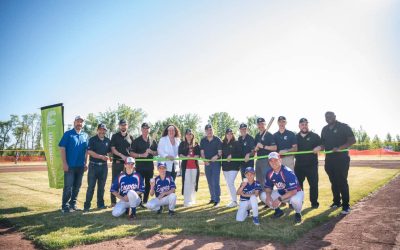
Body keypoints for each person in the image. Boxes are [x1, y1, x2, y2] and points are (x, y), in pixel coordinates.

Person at [321, 111, 356, 214]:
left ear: (335, 117)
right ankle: (336, 202)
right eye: (326, 117)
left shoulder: (344, 126)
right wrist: (319, 147)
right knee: (333, 181)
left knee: (342, 181)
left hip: (342, 159)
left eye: (330, 116)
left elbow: (352, 140)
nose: (328, 118)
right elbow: (323, 143)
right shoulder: (324, 129)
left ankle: (346, 206)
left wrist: (340, 148)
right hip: (329, 160)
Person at [260, 152, 304, 223]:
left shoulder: (287, 172)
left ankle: (298, 213)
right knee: (263, 195)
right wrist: (268, 196)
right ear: (269, 162)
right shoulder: (269, 173)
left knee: (295, 200)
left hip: (295, 193)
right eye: (271, 161)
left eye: (276, 160)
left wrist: (279, 199)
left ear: (280, 160)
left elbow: (293, 191)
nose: (273, 162)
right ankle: (278, 211)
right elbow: (268, 187)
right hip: (282, 193)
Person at [59, 115, 89, 213]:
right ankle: (65, 206)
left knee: (77, 186)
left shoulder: (85, 135)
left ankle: (73, 204)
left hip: (80, 166)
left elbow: (86, 151)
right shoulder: (68, 134)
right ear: (74, 122)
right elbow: (62, 148)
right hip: (70, 166)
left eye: (81, 122)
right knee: (68, 187)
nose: (79, 123)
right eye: (77, 121)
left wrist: (86, 162)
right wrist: (64, 163)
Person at [84, 124, 111, 212]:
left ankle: (100, 204)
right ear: (97, 130)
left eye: (104, 130)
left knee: (101, 187)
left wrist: (109, 156)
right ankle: (87, 206)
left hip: (103, 167)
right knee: (91, 187)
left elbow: (109, 152)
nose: (102, 131)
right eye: (100, 129)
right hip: (93, 166)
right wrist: (101, 157)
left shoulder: (108, 140)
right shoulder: (92, 139)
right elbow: (89, 152)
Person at [295, 118, 322, 209]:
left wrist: (319, 147)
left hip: (312, 165)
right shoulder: (295, 137)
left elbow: (322, 145)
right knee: (299, 185)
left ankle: (314, 203)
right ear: (299, 126)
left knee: (313, 184)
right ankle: (299, 202)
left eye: (306, 124)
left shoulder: (314, 136)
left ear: (308, 125)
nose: (304, 126)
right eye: (302, 124)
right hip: (299, 165)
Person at [130, 122, 158, 205]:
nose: (146, 130)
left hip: (149, 167)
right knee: (139, 185)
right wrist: (141, 155)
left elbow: (157, 152)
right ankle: (139, 201)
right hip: (140, 167)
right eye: (144, 128)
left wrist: (151, 152)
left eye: (147, 128)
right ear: (141, 130)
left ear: (149, 130)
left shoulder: (153, 141)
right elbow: (131, 153)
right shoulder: (136, 141)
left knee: (148, 184)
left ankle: (145, 201)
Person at [110, 119, 135, 207]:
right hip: (117, 163)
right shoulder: (114, 136)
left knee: (128, 182)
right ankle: (113, 202)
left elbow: (131, 151)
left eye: (125, 125)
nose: (123, 126)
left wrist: (131, 157)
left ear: (127, 126)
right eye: (122, 125)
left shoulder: (131, 137)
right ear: (119, 126)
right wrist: (121, 156)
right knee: (115, 182)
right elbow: (113, 149)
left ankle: (128, 199)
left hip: (128, 164)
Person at [200, 124, 222, 207]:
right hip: (207, 164)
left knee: (215, 181)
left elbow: (220, 152)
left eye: (211, 130)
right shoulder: (203, 140)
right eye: (207, 130)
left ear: (213, 130)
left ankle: (217, 199)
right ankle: (212, 198)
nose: (209, 131)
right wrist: (204, 160)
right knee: (209, 182)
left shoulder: (218, 140)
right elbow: (202, 152)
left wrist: (216, 157)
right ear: (205, 131)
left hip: (216, 163)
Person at [178, 129, 200, 207]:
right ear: (185, 135)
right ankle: (186, 201)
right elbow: (180, 154)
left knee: (193, 183)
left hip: (194, 167)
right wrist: (186, 157)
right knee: (186, 183)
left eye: (190, 134)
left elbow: (198, 155)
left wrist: (194, 157)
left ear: (192, 135)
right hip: (186, 167)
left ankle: (192, 200)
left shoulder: (196, 144)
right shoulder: (182, 144)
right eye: (187, 134)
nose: (189, 135)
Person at [221, 128, 242, 208]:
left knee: (230, 182)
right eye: (228, 133)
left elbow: (240, 153)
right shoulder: (223, 143)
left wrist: (232, 156)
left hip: (234, 166)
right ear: (225, 135)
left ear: (233, 134)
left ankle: (234, 201)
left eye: (231, 133)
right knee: (229, 184)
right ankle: (233, 200)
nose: (229, 135)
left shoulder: (236, 143)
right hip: (225, 167)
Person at [254, 117, 277, 184]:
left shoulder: (269, 135)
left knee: (266, 180)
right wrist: (255, 149)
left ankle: (267, 194)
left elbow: (274, 147)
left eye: (262, 124)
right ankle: (261, 194)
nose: (260, 126)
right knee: (258, 179)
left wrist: (263, 146)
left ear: (265, 124)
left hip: (266, 160)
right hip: (258, 160)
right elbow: (255, 148)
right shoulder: (257, 136)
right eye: (259, 124)